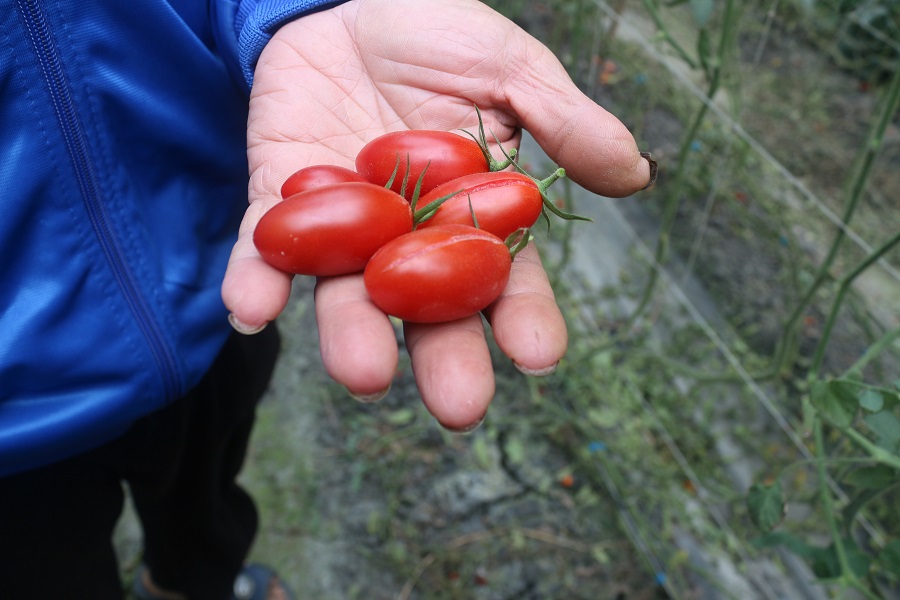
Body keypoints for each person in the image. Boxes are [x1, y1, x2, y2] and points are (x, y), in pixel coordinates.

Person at [0, 0, 652, 598]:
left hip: (203, 290)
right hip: (19, 421)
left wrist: (307, 8)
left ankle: (191, 583)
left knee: (207, 495)